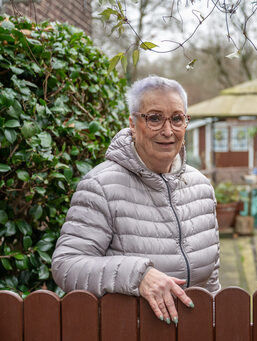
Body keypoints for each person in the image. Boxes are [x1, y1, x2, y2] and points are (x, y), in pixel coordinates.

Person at [52, 76, 220, 326]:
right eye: (154, 118)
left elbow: (212, 279)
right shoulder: (101, 186)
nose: (167, 131)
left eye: (177, 118)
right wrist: (138, 275)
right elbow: (66, 265)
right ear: (132, 123)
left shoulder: (201, 187)